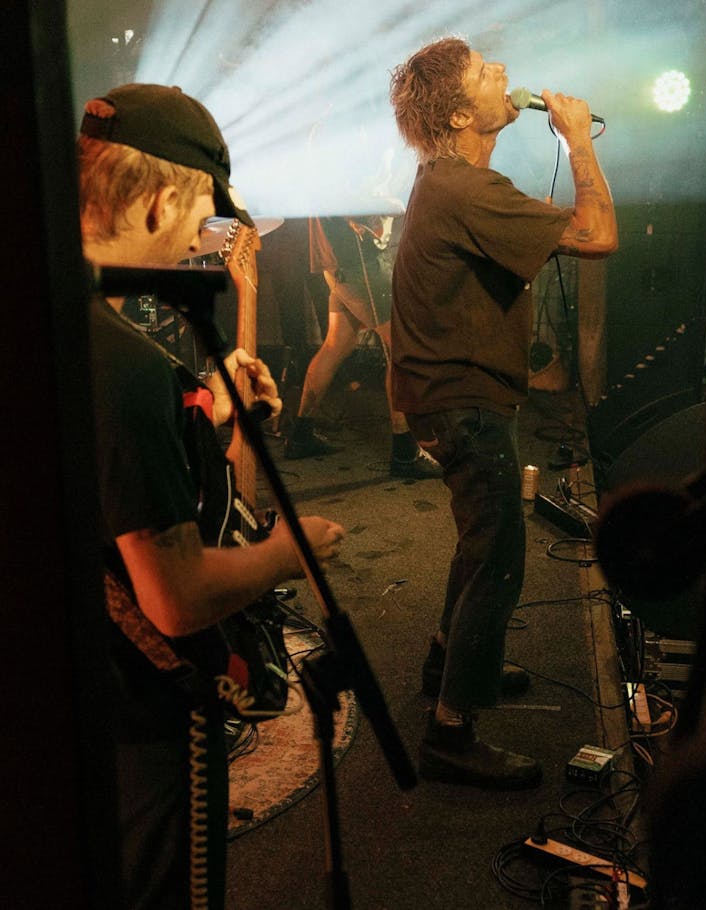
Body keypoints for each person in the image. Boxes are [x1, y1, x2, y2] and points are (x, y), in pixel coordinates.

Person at [78, 83, 344, 909]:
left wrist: (208, 409)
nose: (211, 242)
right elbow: (176, 597)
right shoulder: (122, 363)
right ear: (160, 203)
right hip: (142, 712)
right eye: (204, 218)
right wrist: (286, 555)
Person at [389, 37, 617, 788]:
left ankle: (444, 663)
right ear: (460, 115)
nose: (506, 76)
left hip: (447, 396)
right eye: (487, 75)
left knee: (480, 538)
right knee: (499, 556)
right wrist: (580, 142)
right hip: (464, 404)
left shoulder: (456, 181)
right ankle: (451, 735)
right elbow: (598, 233)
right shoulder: (466, 188)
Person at [283, 214, 441, 478]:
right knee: (401, 351)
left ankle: (300, 436)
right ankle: (405, 453)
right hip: (361, 264)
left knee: (336, 346)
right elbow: (355, 203)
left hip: (340, 265)